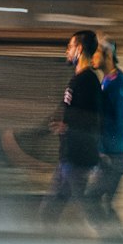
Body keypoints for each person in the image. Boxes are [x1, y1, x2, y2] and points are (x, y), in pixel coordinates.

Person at [41, 30, 101, 229]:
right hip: (69, 158)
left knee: (89, 210)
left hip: (77, 160)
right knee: (50, 212)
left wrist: (68, 127)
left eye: (70, 46)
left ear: (80, 49)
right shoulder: (77, 81)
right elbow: (64, 111)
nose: (67, 51)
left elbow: (94, 119)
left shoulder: (89, 81)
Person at [85, 36, 123, 240]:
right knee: (104, 202)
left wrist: (104, 151)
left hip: (117, 154)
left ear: (107, 55)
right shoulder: (109, 81)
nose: (91, 59)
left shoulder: (118, 84)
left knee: (91, 199)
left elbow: (120, 123)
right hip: (117, 152)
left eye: (95, 54)